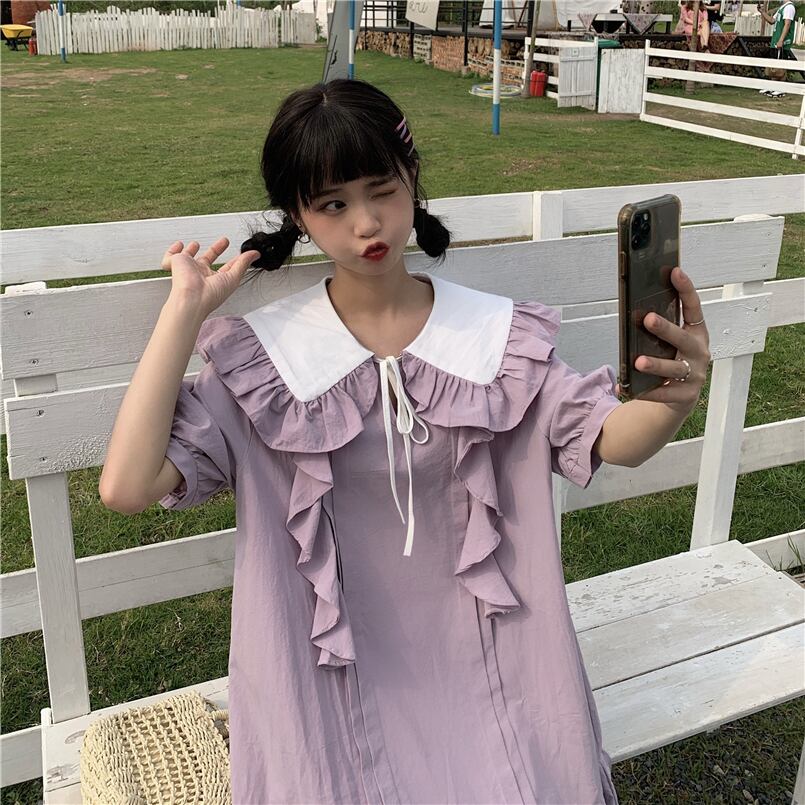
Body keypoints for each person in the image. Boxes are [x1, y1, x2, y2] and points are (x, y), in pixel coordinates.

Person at [100, 78, 711, 804]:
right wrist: (184, 312)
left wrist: (671, 398)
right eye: (332, 204)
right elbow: (127, 487)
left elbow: (612, 438)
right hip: (324, 700)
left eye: (381, 190)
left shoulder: (495, 341)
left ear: (411, 179)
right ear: (297, 215)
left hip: (497, 686)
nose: (366, 222)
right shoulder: (266, 367)